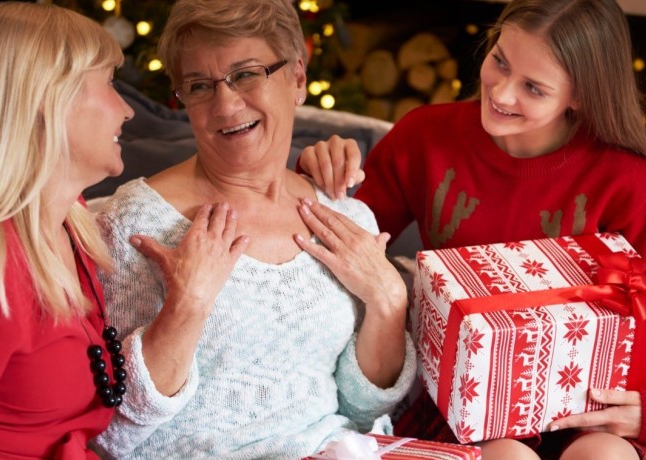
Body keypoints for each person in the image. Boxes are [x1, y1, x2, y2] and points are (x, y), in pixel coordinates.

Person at [298, 0, 646, 458]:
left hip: (589, 410)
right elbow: (338, 241)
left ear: (579, 95)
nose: (502, 93)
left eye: (533, 88)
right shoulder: (425, 138)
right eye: (499, 61)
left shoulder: (623, 179)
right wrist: (319, 180)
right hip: (472, 410)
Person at [90, 0, 416, 458]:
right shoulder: (136, 223)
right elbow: (113, 431)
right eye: (200, 86)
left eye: (245, 74)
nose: (225, 104)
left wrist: (387, 300)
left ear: (298, 79)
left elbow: (363, 411)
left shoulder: (345, 215)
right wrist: (188, 306)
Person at [0, 3, 137, 458]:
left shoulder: (70, 224)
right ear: (49, 97)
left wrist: (310, 169)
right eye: (108, 83)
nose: (126, 110)